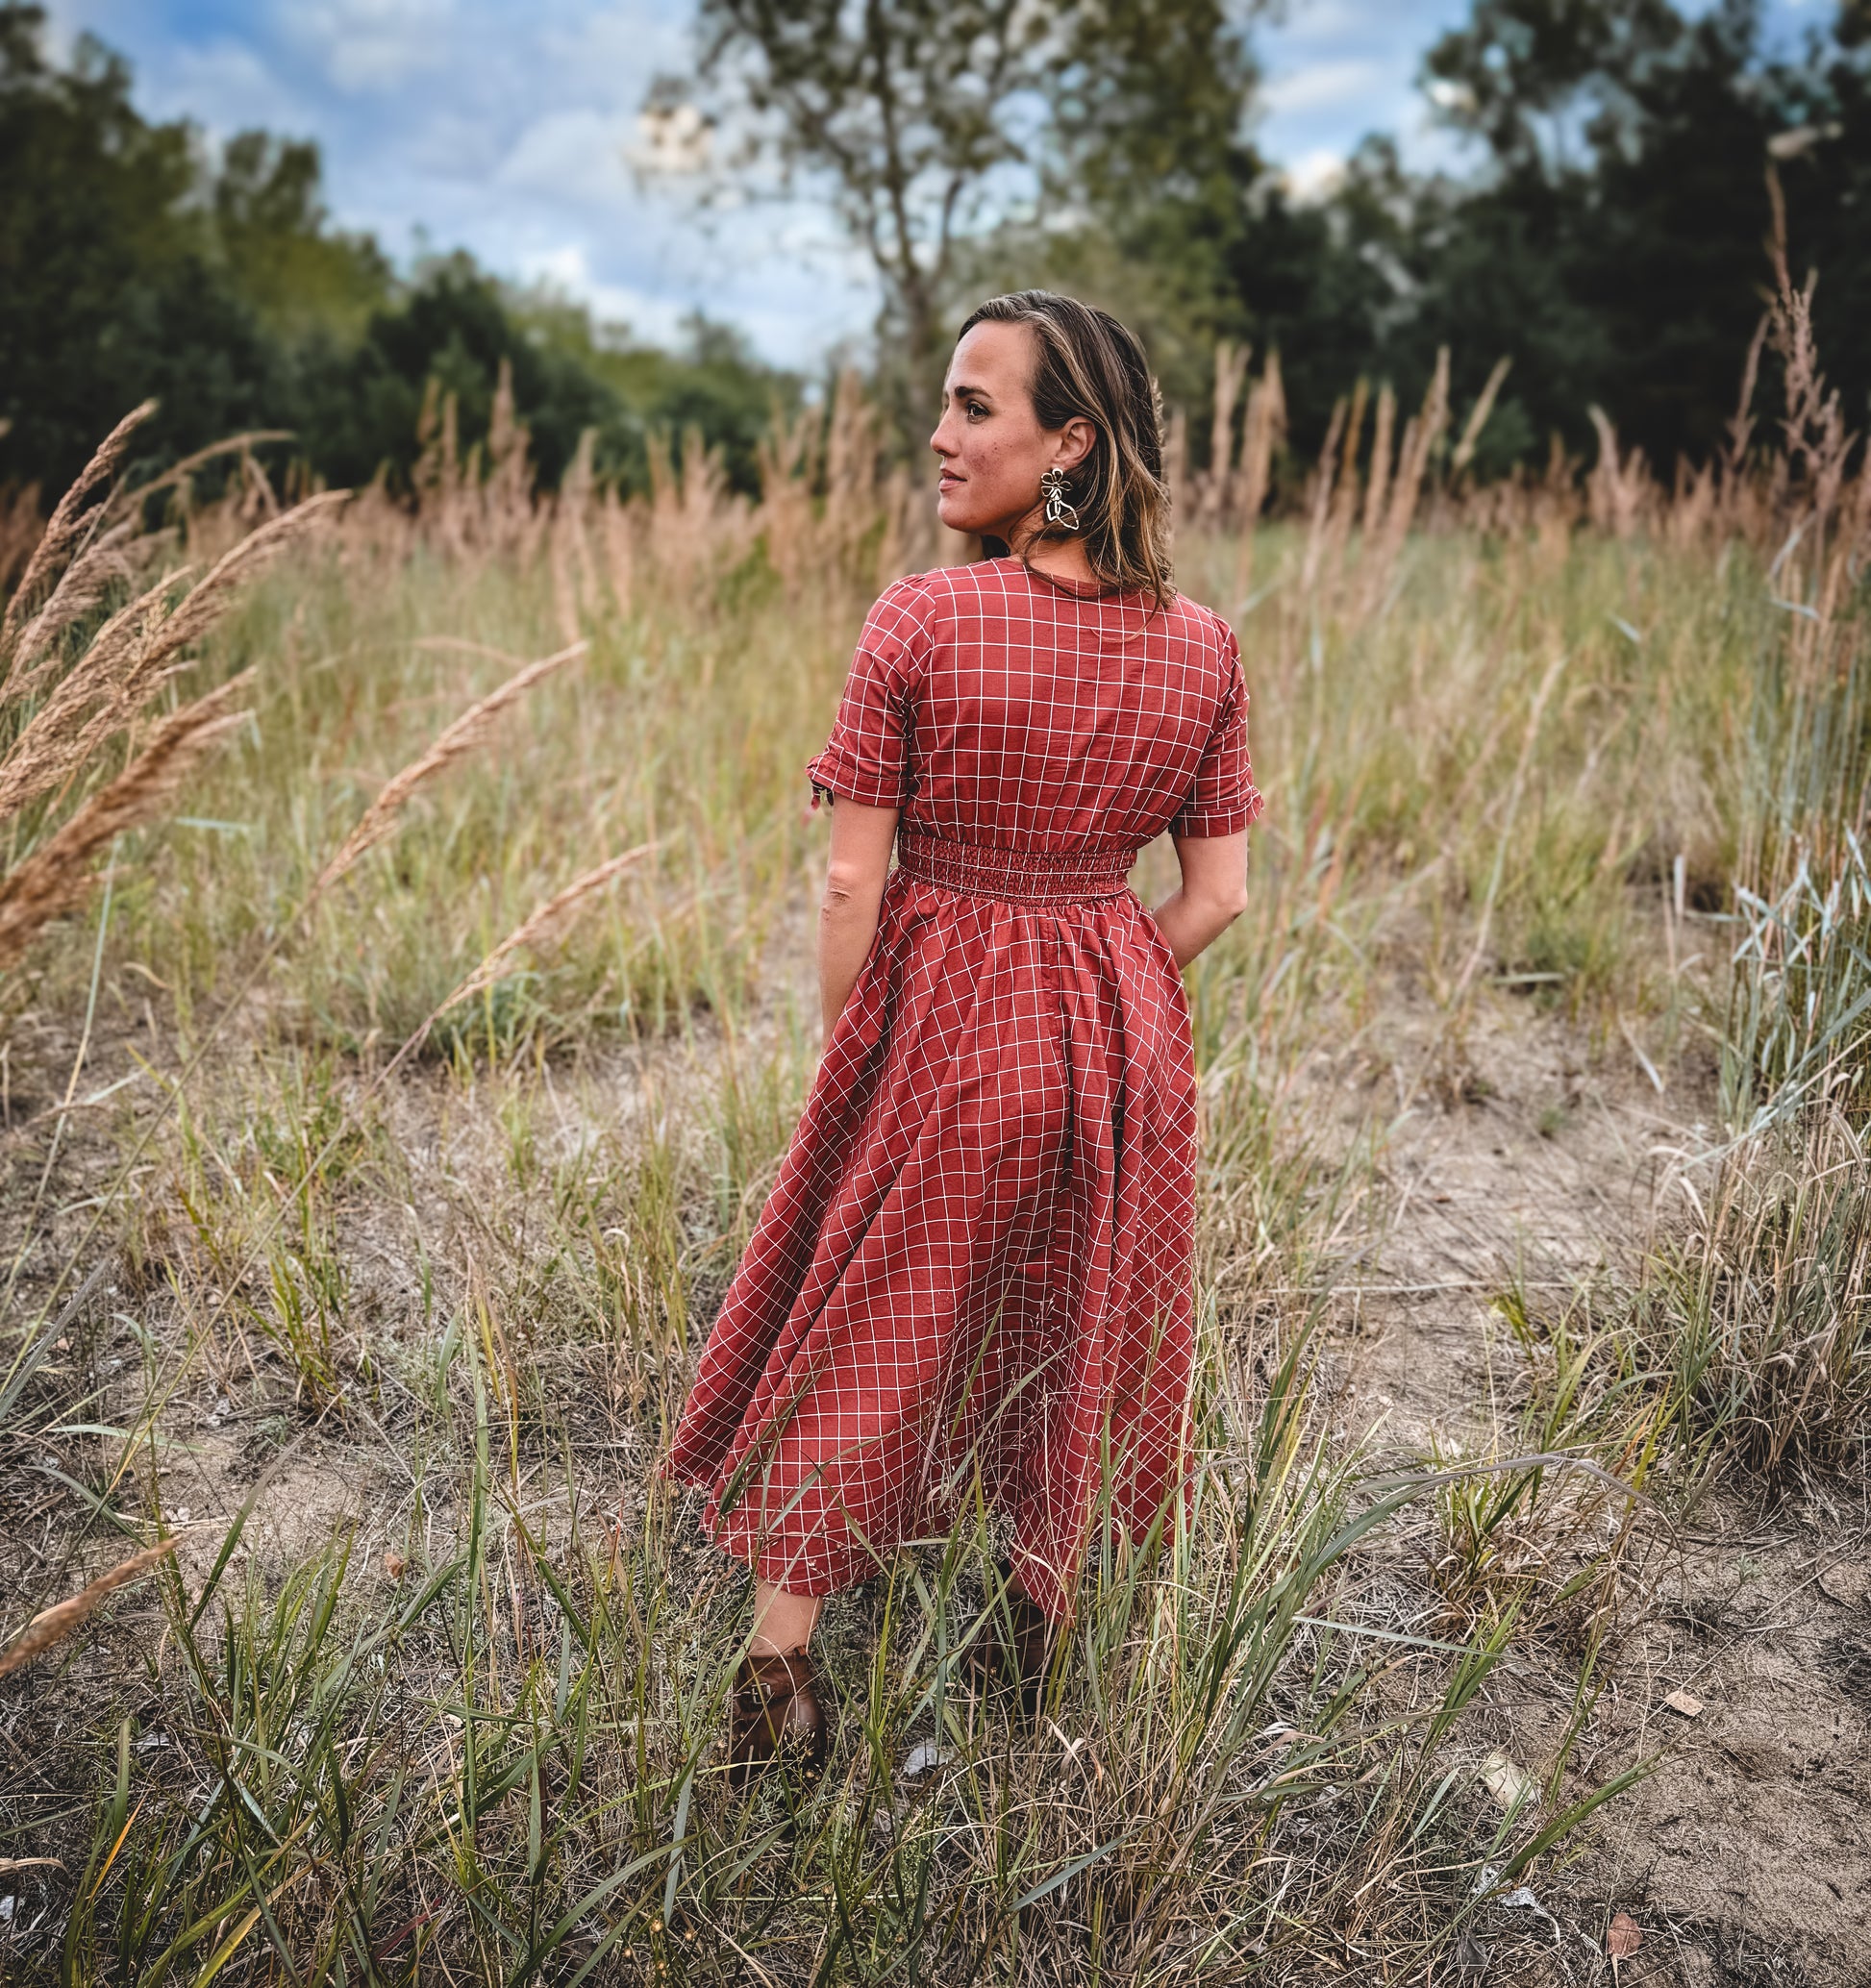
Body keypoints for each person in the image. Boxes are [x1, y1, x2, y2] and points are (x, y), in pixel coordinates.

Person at [660, 289, 1263, 1781]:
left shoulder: (923, 616)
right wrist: (1098, 974)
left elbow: (850, 873)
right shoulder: (1203, 644)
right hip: (1121, 1045)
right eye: (944, 401)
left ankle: (780, 1678)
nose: (938, 433)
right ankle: (1025, 1626)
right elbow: (1219, 893)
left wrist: (855, 1039)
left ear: (1069, 442)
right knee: (1067, 1323)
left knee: (871, 1324)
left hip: (941, 1033)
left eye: (974, 408)